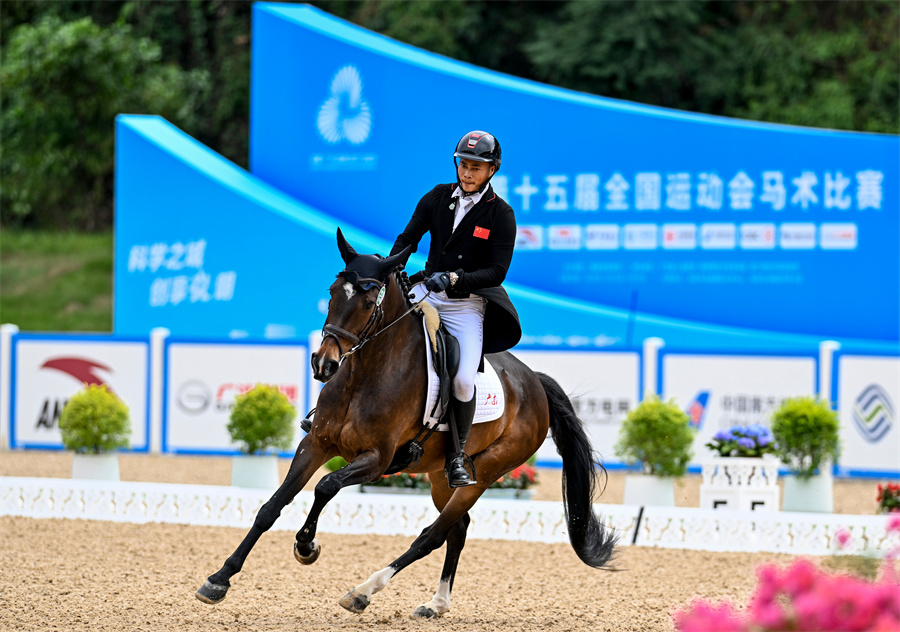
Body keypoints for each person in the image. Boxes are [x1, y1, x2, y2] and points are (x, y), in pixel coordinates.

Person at [391, 130, 521, 488]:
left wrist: (453, 279)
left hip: (465, 306)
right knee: (376, 330)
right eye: (464, 165)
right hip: (427, 293)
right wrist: (389, 268)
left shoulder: (501, 214)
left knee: (463, 381)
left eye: (476, 167)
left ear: (492, 170)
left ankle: (456, 457)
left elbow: (496, 272)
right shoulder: (437, 196)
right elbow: (408, 239)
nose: (467, 172)